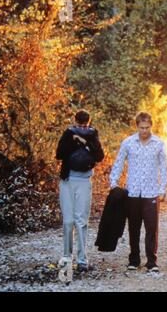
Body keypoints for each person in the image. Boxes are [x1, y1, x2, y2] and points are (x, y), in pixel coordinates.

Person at [110, 112, 167, 273]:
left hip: (151, 192)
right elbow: (119, 162)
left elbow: (164, 168)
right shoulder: (128, 143)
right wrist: (113, 182)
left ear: (151, 126)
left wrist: (162, 188)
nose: (144, 131)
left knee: (151, 227)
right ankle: (134, 259)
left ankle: (152, 261)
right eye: (141, 128)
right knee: (133, 227)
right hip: (133, 192)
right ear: (137, 126)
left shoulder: (158, 144)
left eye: (147, 127)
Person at [56, 109, 104, 272]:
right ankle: (67, 257)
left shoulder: (93, 135)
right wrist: (74, 139)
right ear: (75, 121)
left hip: (84, 180)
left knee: (81, 221)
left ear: (89, 122)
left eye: (85, 124)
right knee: (68, 221)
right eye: (80, 124)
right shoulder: (68, 133)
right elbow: (59, 154)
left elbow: (99, 156)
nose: (82, 127)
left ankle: (82, 259)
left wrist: (84, 141)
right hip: (67, 180)